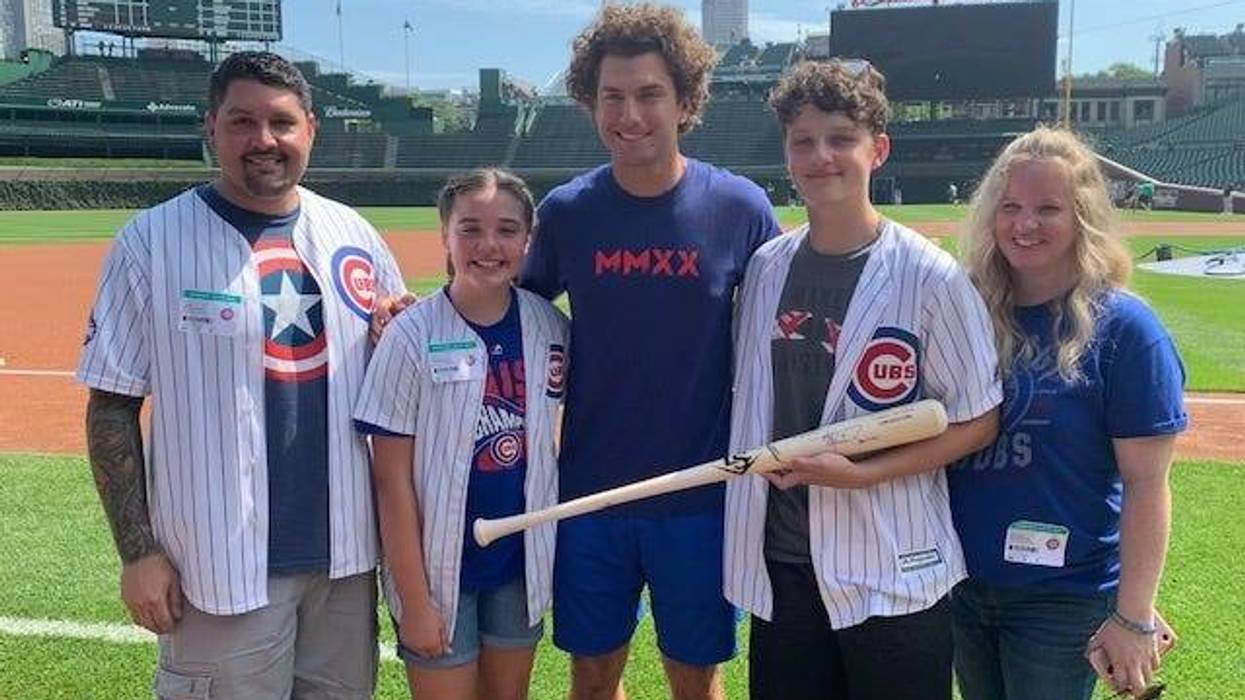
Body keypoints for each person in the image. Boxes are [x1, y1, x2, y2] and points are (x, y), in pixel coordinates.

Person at [76, 52, 408, 699]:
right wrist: (137, 552)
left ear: (310, 129)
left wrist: (400, 330)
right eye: (241, 122)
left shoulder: (356, 236)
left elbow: (396, 377)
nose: (264, 140)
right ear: (211, 127)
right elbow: (111, 405)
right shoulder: (150, 242)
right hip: (215, 571)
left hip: (344, 565)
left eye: (281, 122)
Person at [518, 4, 781, 699]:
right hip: (590, 491)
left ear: (685, 102)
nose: (629, 114)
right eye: (612, 96)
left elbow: (781, 331)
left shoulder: (740, 208)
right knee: (591, 676)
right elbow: (512, 319)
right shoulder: (567, 213)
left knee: (696, 680)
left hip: (700, 494)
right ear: (589, 102)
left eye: (649, 94)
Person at [724, 60, 1002, 700]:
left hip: (892, 564)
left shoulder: (931, 277)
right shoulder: (766, 268)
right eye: (803, 141)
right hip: (784, 565)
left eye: (840, 138)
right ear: (787, 153)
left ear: (878, 149)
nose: (820, 156)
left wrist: (863, 473)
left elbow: (978, 420)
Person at [948, 127, 1187, 700]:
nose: (1025, 224)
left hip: (1063, 595)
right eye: (1010, 206)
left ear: (1083, 216)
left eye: (1048, 209)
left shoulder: (1126, 330)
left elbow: (1146, 484)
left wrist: (1133, 615)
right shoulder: (965, 311)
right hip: (959, 582)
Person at [354, 169, 569, 700]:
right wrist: (415, 601)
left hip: (517, 567)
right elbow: (391, 481)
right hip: (436, 572)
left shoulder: (551, 327)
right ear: (445, 236)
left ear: (528, 239)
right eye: (470, 229)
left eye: (507, 230)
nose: (488, 245)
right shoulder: (410, 335)